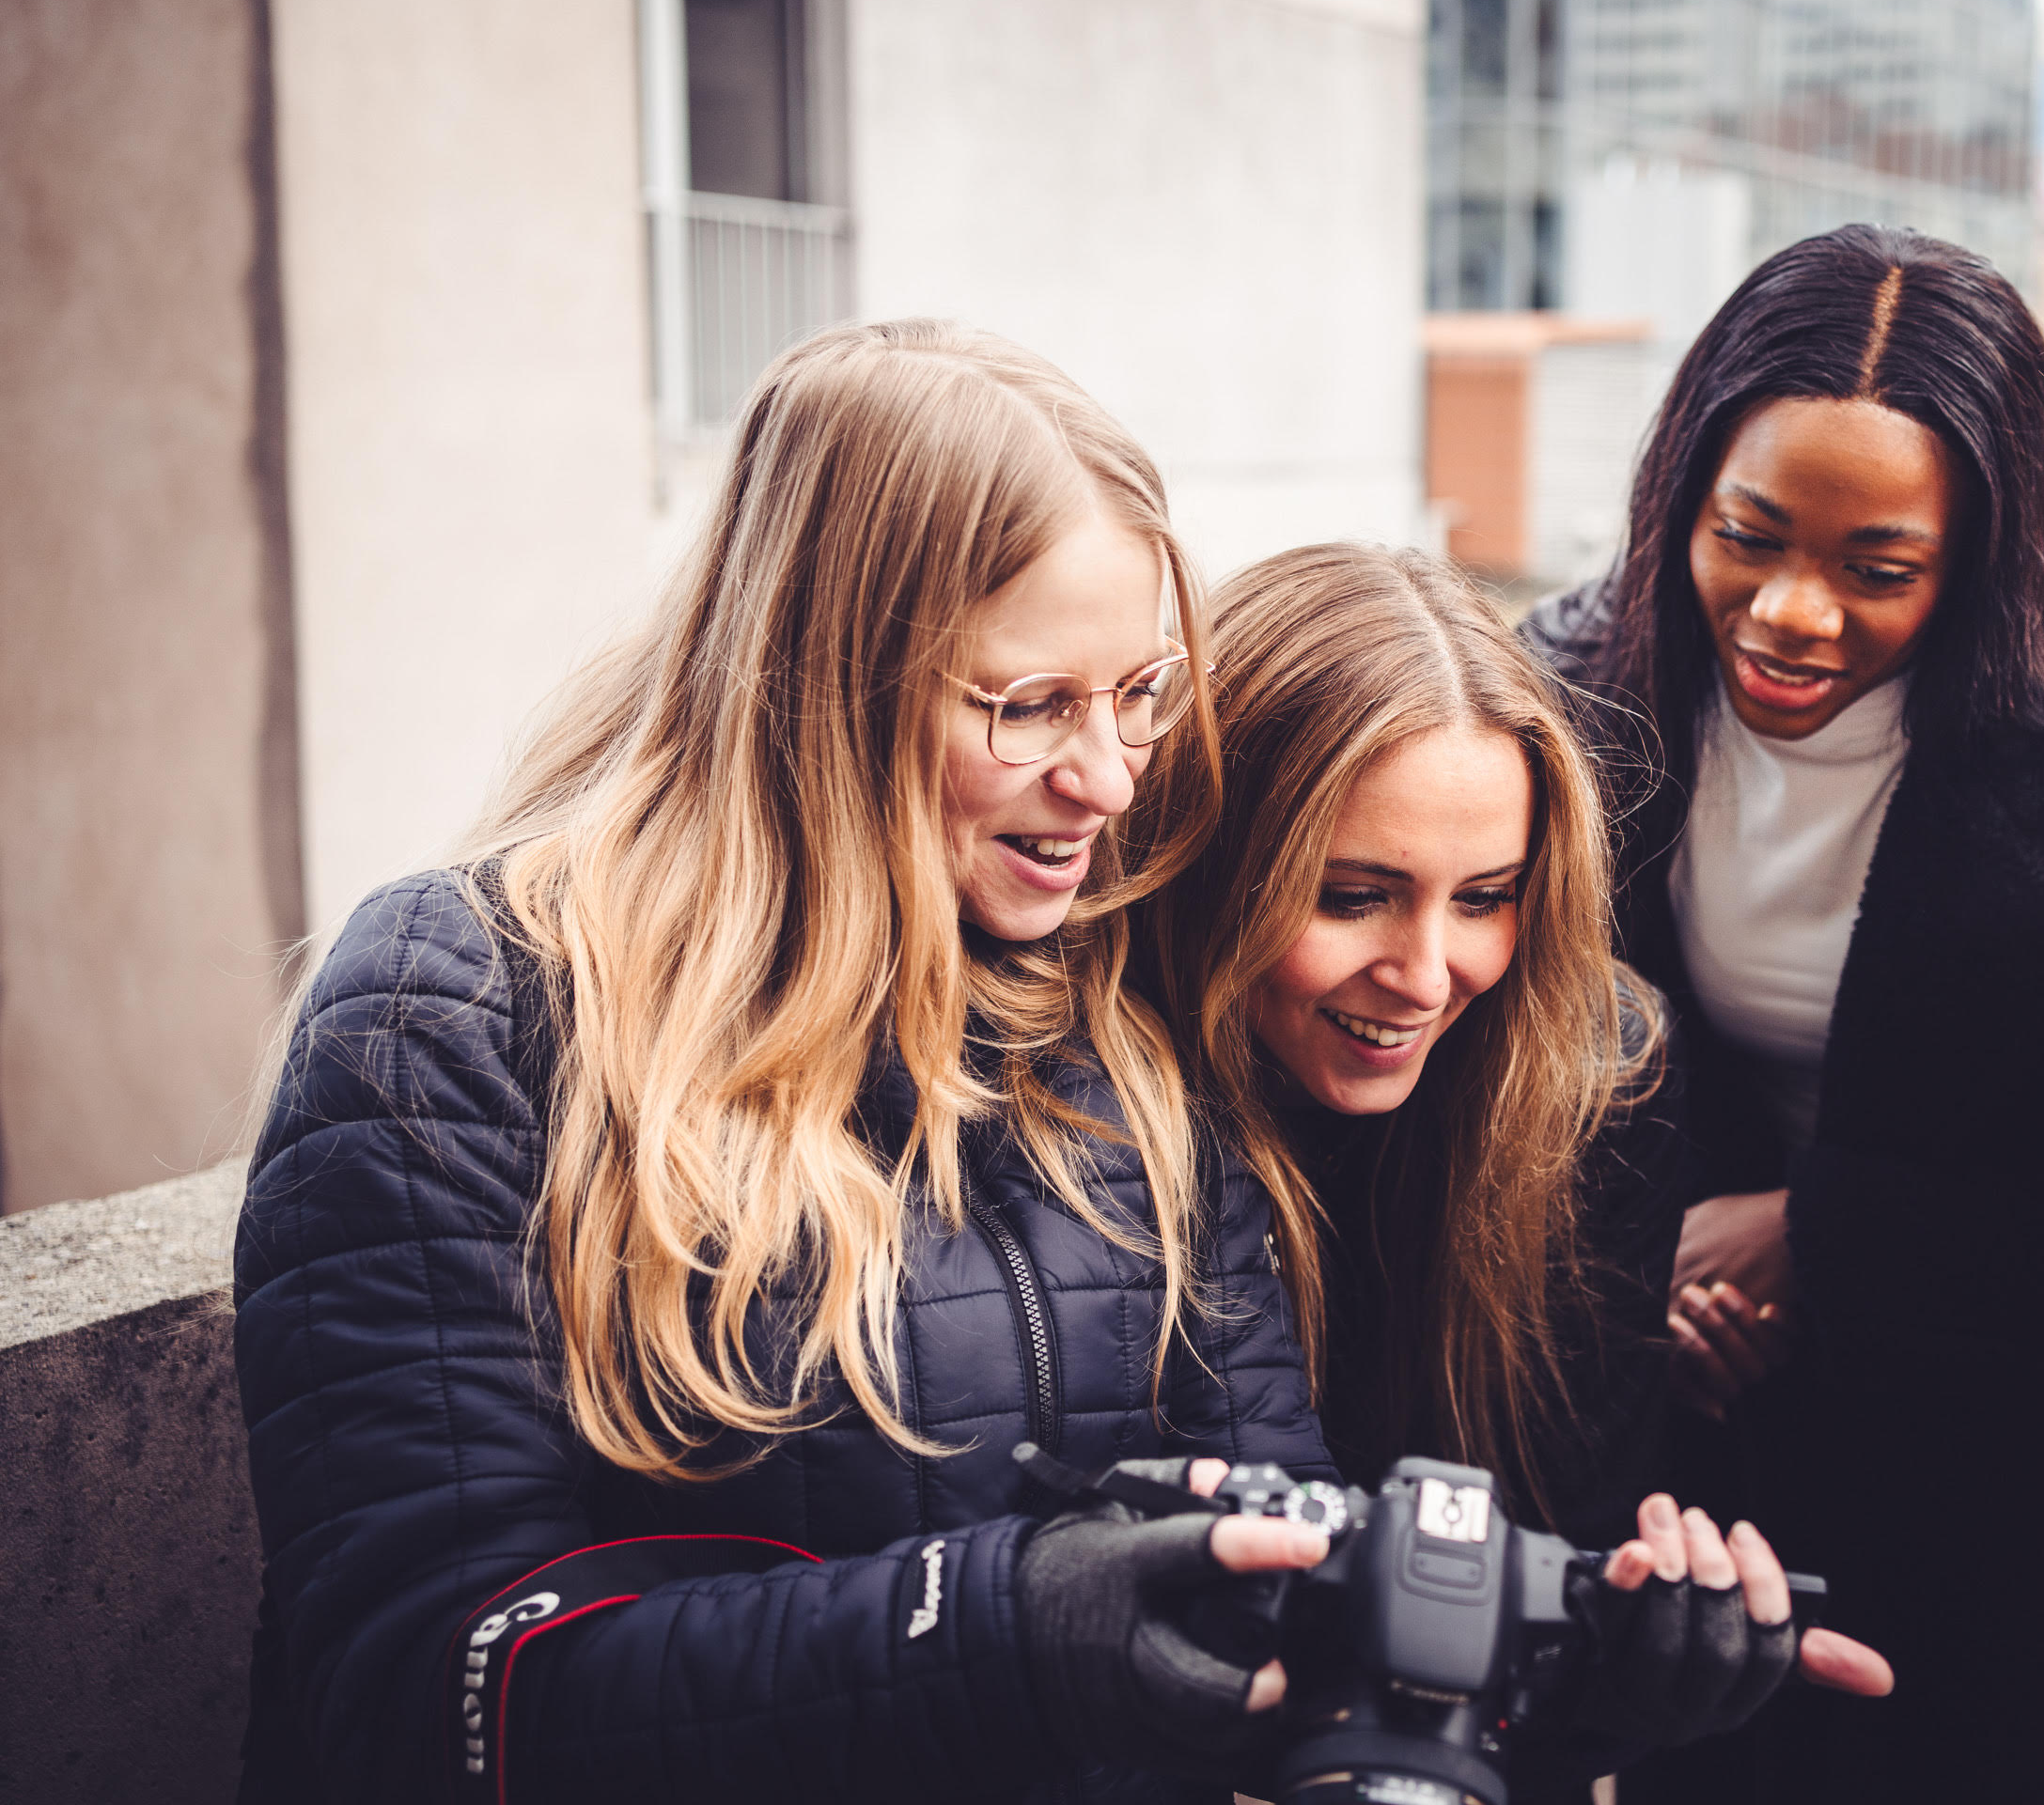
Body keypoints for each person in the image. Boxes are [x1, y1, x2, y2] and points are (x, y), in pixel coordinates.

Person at [232, 320, 1340, 1804]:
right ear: (833, 678)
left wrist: (1570, 1661)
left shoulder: (1117, 1030)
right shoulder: (456, 1016)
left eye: (1137, 692)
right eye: (1030, 708)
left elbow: (1279, 1562)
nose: (1110, 777)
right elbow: (438, 1703)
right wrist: (993, 1631)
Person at [1521, 226, 2044, 1801]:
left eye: (1877, 569)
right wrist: (1630, 1289)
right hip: (1662, 1459)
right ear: (1680, 501)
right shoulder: (1561, 702)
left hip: (1974, 1483)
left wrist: (1825, 1231)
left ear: (1984, 553)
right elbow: (1488, 1082)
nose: (1792, 612)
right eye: (1750, 536)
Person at [1132, 542, 1896, 1795]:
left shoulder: (1599, 1084)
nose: (1428, 975)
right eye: (1353, 896)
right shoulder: (1080, 1099)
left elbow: (1572, 1540)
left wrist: (1644, 1659)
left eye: (1486, 897)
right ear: (1210, 855)